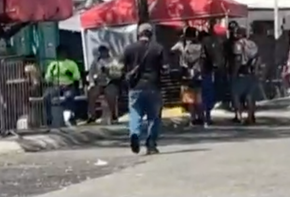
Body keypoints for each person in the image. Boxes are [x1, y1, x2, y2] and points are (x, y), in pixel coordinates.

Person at [121, 23, 167, 155]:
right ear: (151, 34)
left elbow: (121, 67)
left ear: (138, 34)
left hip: (135, 87)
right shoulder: (158, 48)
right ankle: (151, 144)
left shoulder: (129, 49)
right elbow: (165, 68)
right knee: (154, 116)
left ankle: (134, 134)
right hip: (153, 86)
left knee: (135, 113)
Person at [171, 27, 205, 125]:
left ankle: (193, 118)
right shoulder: (200, 46)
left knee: (189, 98)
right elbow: (203, 59)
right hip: (198, 74)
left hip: (186, 74)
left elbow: (171, 50)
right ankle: (201, 117)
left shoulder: (182, 45)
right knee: (198, 97)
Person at [43, 45, 81, 126]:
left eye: (63, 52)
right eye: (59, 52)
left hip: (68, 86)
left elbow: (77, 77)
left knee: (69, 96)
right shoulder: (53, 64)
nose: (61, 54)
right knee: (46, 95)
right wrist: (53, 81)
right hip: (56, 86)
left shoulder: (72, 64)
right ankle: (49, 117)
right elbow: (47, 78)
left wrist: (69, 74)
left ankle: (69, 116)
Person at [86, 45, 123, 124]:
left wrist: (108, 71)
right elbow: (91, 73)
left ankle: (113, 115)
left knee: (111, 95)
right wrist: (91, 82)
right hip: (99, 83)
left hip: (110, 82)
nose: (102, 52)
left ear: (107, 51)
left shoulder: (113, 61)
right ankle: (92, 115)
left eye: (104, 51)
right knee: (91, 94)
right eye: (101, 51)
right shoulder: (96, 62)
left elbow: (118, 74)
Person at [230, 27, 259, 124]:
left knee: (236, 94)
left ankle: (239, 116)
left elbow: (238, 60)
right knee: (250, 96)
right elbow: (258, 58)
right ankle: (251, 116)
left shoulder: (238, 45)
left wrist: (234, 72)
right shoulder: (253, 44)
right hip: (252, 73)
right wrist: (256, 70)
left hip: (241, 72)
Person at [199, 26, 221, 126]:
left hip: (193, 74)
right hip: (206, 73)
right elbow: (214, 61)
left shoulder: (191, 47)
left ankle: (198, 116)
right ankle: (206, 117)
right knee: (207, 95)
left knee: (198, 96)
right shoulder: (208, 48)